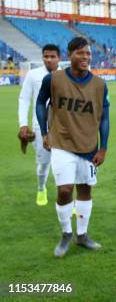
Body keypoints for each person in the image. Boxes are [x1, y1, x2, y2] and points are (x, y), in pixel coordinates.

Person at [36, 37, 110, 258]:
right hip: (62, 142)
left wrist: (103, 147)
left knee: (85, 190)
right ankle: (66, 232)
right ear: (70, 55)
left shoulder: (99, 85)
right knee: (65, 190)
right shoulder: (53, 79)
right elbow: (41, 102)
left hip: (89, 146)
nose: (85, 57)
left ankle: (82, 235)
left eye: (88, 53)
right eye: (80, 53)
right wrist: (44, 132)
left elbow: (105, 117)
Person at [18, 44, 61, 206]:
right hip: (40, 127)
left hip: (64, 128)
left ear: (59, 58)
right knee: (43, 164)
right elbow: (24, 99)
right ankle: (41, 188)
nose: (48, 60)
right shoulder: (33, 74)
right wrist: (23, 124)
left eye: (52, 56)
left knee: (65, 163)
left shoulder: (66, 75)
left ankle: (65, 197)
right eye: (46, 56)